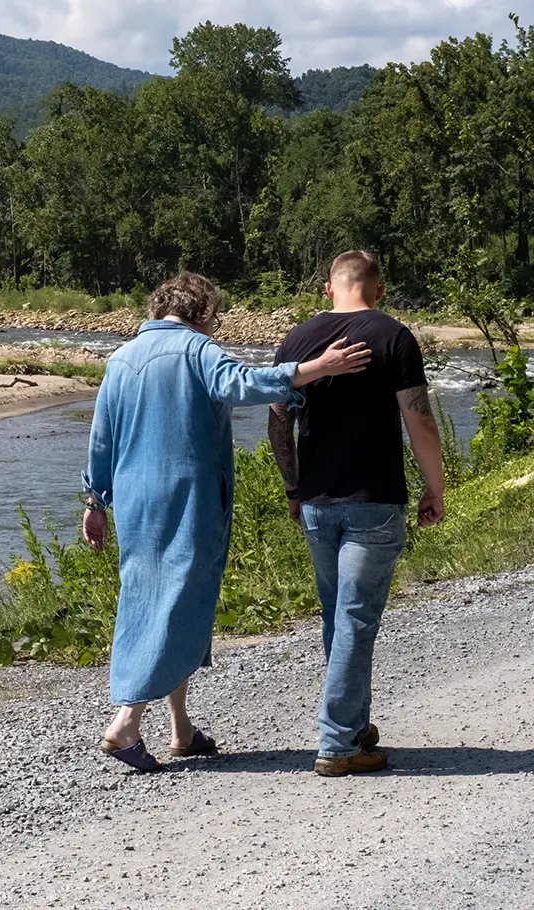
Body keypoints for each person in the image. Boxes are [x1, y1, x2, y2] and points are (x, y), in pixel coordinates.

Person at [82, 272, 372, 772]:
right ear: (203, 313)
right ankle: (125, 724)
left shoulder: (121, 358)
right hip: (188, 497)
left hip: (134, 501)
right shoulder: (197, 350)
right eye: (214, 316)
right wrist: (314, 369)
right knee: (178, 601)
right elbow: (241, 384)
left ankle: (181, 729)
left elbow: (102, 436)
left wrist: (94, 501)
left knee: (158, 598)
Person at [268, 250, 446, 778]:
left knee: (339, 614)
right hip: (374, 500)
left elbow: (277, 423)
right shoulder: (394, 336)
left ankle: (353, 725)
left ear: (329, 288)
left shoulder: (297, 339)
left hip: (317, 502)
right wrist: (435, 487)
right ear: (379, 288)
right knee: (355, 617)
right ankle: (339, 744)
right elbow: (420, 421)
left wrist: (293, 486)